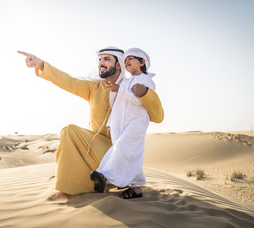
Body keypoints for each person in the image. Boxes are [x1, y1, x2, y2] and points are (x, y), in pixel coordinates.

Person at [18, 47, 164, 195]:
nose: (101, 63)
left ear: (118, 64)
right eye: (100, 59)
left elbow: (158, 117)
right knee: (69, 131)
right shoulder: (93, 87)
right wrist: (42, 65)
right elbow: (69, 81)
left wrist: (145, 94)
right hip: (95, 146)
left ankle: (110, 179)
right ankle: (70, 187)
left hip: (118, 150)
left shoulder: (131, 86)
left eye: (106, 59)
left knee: (118, 150)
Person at [90, 48, 155, 199]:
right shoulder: (125, 82)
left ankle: (103, 175)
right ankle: (136, 188)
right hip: (121, 123)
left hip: (137, 121)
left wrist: (121, 90)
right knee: (129, 153)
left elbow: (139, 101)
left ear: (142, 62)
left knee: (122, 146)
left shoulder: (147, 81)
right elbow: (117, 104)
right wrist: (110, 123)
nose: (127, 62)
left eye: (131, 59)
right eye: (125, 61)